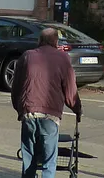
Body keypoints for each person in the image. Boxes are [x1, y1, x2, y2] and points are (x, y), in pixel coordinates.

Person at [10, 27, 82, 178]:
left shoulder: (27, 56)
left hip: (28, 112)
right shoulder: (63, 58)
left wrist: (19, 108)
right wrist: (77, 109)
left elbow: (16, 86)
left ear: (39, 40)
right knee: (49, 161)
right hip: (50, 114)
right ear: (56, 41)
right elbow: (70, 91)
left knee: (29, 157)